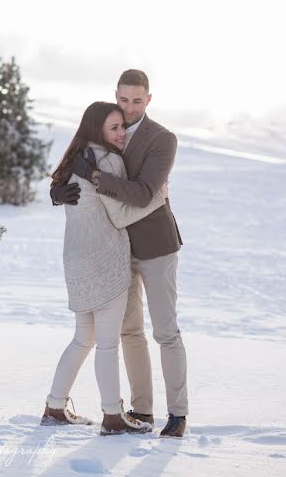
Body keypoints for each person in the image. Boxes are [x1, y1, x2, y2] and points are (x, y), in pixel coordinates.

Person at [51, 70, 188, 438]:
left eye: (137, 101)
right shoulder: (107, 128)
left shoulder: (162, 139)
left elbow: (144, 193)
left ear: (149, 99)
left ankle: (178, 414)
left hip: (156, 246)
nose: (129, 109)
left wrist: (95, 178)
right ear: (116, 95)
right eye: (124, 100)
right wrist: (57, 193)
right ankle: (142, 410)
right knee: (130, 333)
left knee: (166, 332)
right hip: (118, 251)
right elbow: (71, 172)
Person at [40, 101, 163, 436]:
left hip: (76, 261)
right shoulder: (107, 161)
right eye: (114, 128)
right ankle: (112, 415)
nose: (121, 134)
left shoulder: (75, 159)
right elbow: (120, 216)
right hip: (105, 261)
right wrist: (157, 197)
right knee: (107, 342)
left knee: (84, 337)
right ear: (98, 130)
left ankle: (54, 406)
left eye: (122, 127)